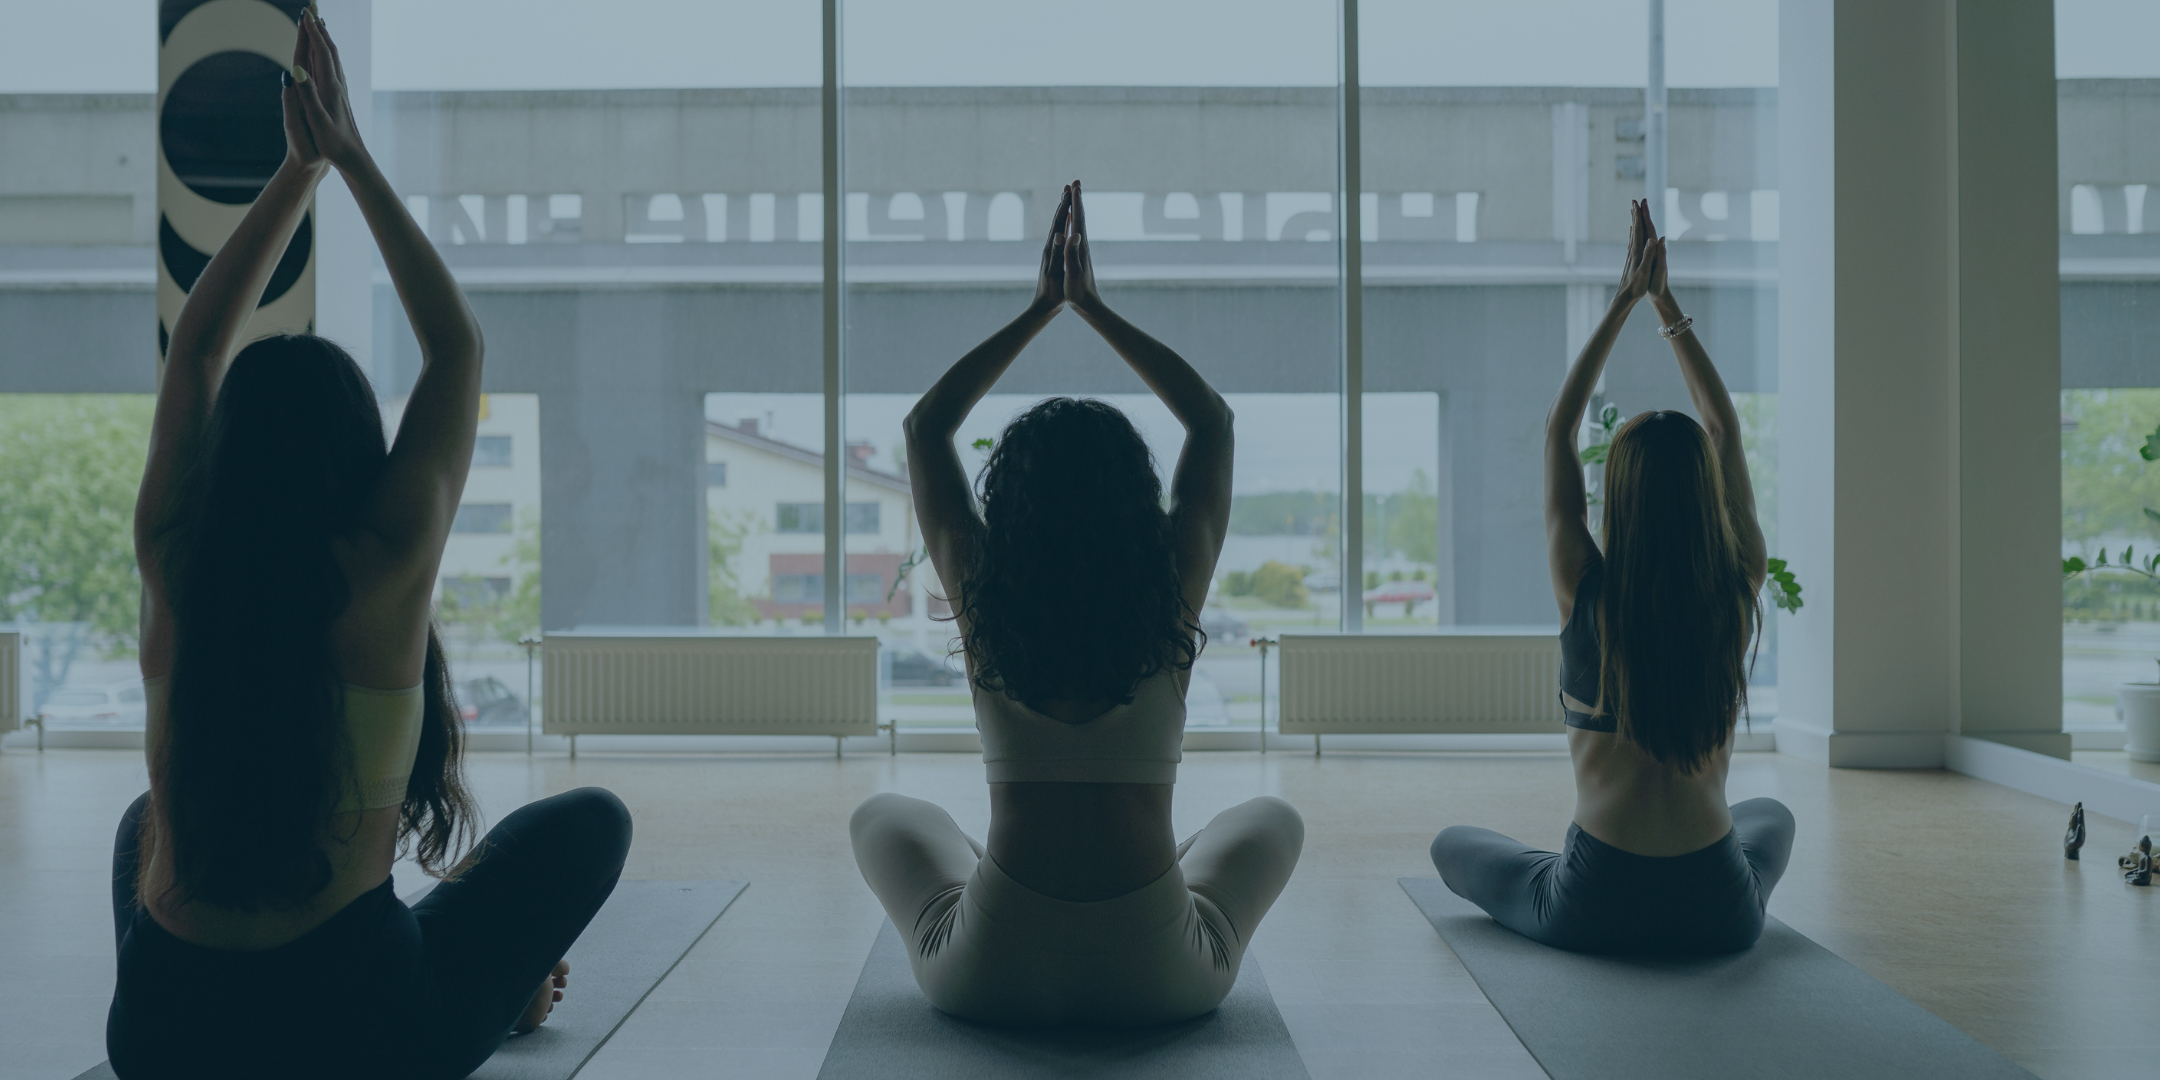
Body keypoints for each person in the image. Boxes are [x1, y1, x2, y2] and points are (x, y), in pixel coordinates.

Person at [108, 12, 630, 1077]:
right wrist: (344, 156)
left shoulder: (175, 555)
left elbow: (198, 347)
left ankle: (482, 981)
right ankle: (510, 989)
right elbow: (457, 345)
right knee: (591, 821)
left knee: (141, 824)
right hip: (365, 1033)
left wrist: (292, 180)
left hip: (162, 1038)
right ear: (358, 458)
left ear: (228, 456)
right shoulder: (385, 563)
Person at [850, 181, 1304, 1027]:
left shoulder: (985, 599)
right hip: (1164, 981)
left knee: (888, 813)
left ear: (1010, 506)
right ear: (1136, 503)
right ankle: (1158, 876)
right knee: (1269, 816)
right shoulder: (1170, 596)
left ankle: (1019, 881)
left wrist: (1040, 310)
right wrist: (1092, 308)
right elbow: (1211, 422)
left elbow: (925, 428)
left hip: (986, 975)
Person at [1427, 200, 1794, 955]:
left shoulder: (1582, 590)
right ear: (1705, 499)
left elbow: (1560, 430)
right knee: (1770, 821)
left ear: (1617, 498)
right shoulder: (1736, 587)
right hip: (1719, 910)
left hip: (1596, 902)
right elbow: (1723, 430)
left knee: (1452, 845)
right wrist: (1668, 309)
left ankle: (1558, 873)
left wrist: (1625, 297)